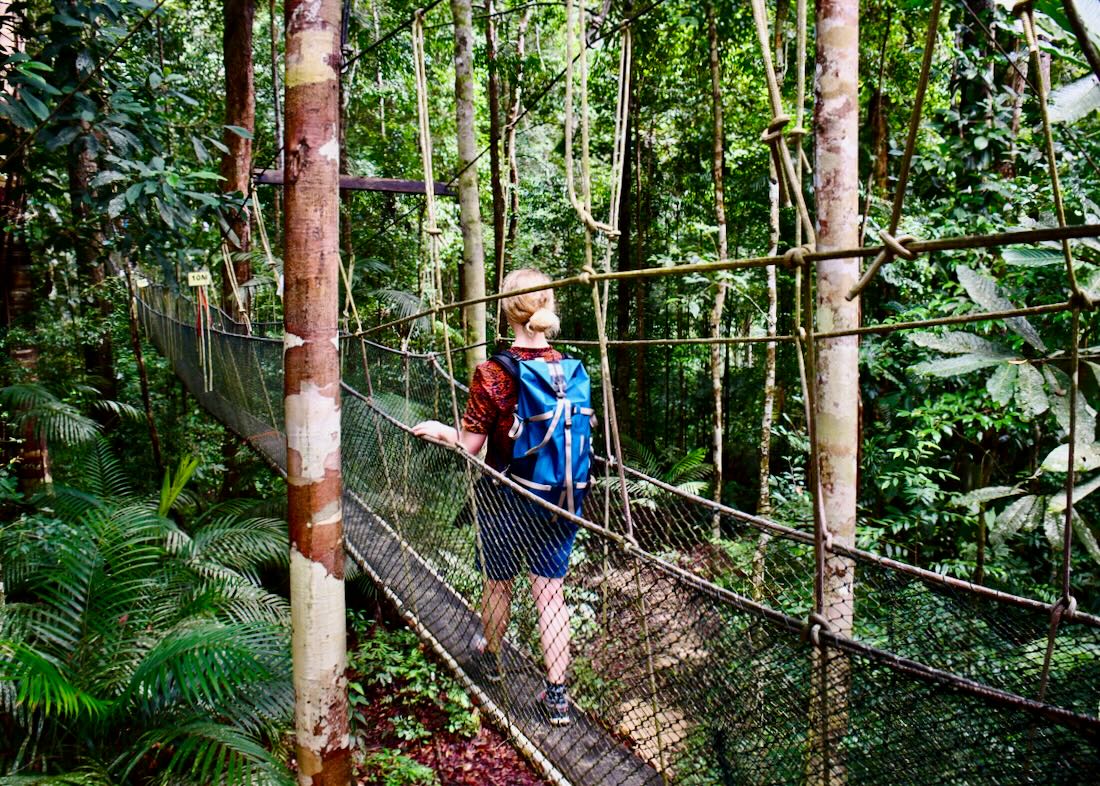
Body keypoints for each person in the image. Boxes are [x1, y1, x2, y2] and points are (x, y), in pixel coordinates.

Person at [412, 268, 579, 727]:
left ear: (506, 312)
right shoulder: (567, 369)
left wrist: (440, 430)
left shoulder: (492, 373)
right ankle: (558, 697)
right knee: (551, 595)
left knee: (498, 583)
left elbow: (469, 446)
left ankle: (490, 651)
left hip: (508, 497)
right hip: (560, 499)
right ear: (547, 308)